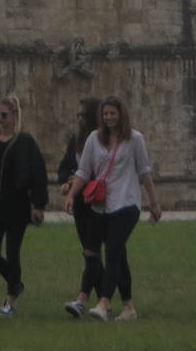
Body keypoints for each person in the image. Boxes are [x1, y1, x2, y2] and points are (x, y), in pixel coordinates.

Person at [65, 95, 161, 321]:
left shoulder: (135, 139)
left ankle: (104, 302)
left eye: (113, 113)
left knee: (113, 250)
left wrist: (154, 203)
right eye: (105, 114)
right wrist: (71, 194)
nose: (109, 117)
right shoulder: (94, 139)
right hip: (101, 205)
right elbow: (83, 171)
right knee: (96, 252)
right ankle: (128, 307)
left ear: (121, 114)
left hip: (127, 203)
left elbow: (144, 173)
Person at [0, 96, 48, 316]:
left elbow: (38, 173)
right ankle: (16, 284)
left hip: (17, 206)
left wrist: (38, 205)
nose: (0, 119)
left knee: (13, 252)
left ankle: (10, 302)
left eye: (4, 115)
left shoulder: (25, 142)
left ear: (15, 116)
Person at [57, 98, 104, 318]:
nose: (79, 119)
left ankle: (83, 299)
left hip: (97, 201)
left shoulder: (103, 140)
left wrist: (78, 181)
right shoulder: (76, 140)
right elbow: (66, 166)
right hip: (80, 203)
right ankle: (104, 299)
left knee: (91, 252)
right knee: (90, 252)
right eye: (78, 115)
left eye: (83, 115)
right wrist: (67, 182)